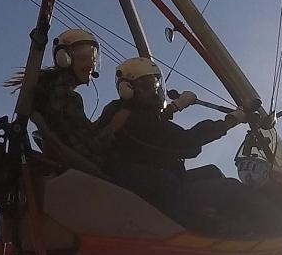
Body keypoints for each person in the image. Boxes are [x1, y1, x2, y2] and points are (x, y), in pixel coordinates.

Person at [98, 56, 249, 226]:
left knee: (211, 171)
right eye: (147, 86)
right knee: (232, 188)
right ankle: (188, 226)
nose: (155, 92)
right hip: (150, 187)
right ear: (128, 89)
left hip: (148, 172)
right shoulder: (132, 118)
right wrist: (231, 121)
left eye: (156, 85)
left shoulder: (127, 112)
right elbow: (186, 143)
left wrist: (175, 106)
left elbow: (154, 125)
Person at [9, 27, 116, 166]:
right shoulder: (66, 98)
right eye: (83, 59)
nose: (90, 65)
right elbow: (88, 149)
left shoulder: (52, 93)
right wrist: (115, 125)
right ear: (64, 58)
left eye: (93, 60)